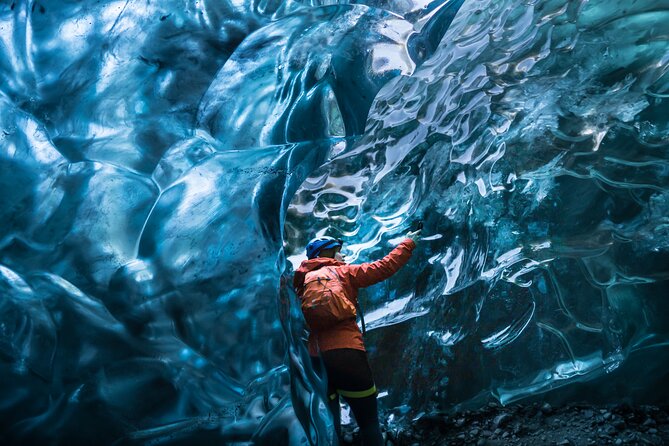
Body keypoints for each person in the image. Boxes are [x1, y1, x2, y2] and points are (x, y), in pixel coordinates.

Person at [293, 229, 421, 445]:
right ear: (327, 254)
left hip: (315, 360)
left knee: (329, 427)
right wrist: (408, 243)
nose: (343, 257)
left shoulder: (299, 285)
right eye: (339, 252)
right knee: (368, 422)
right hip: (346, 353)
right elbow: (383, 267)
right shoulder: (342, 273)